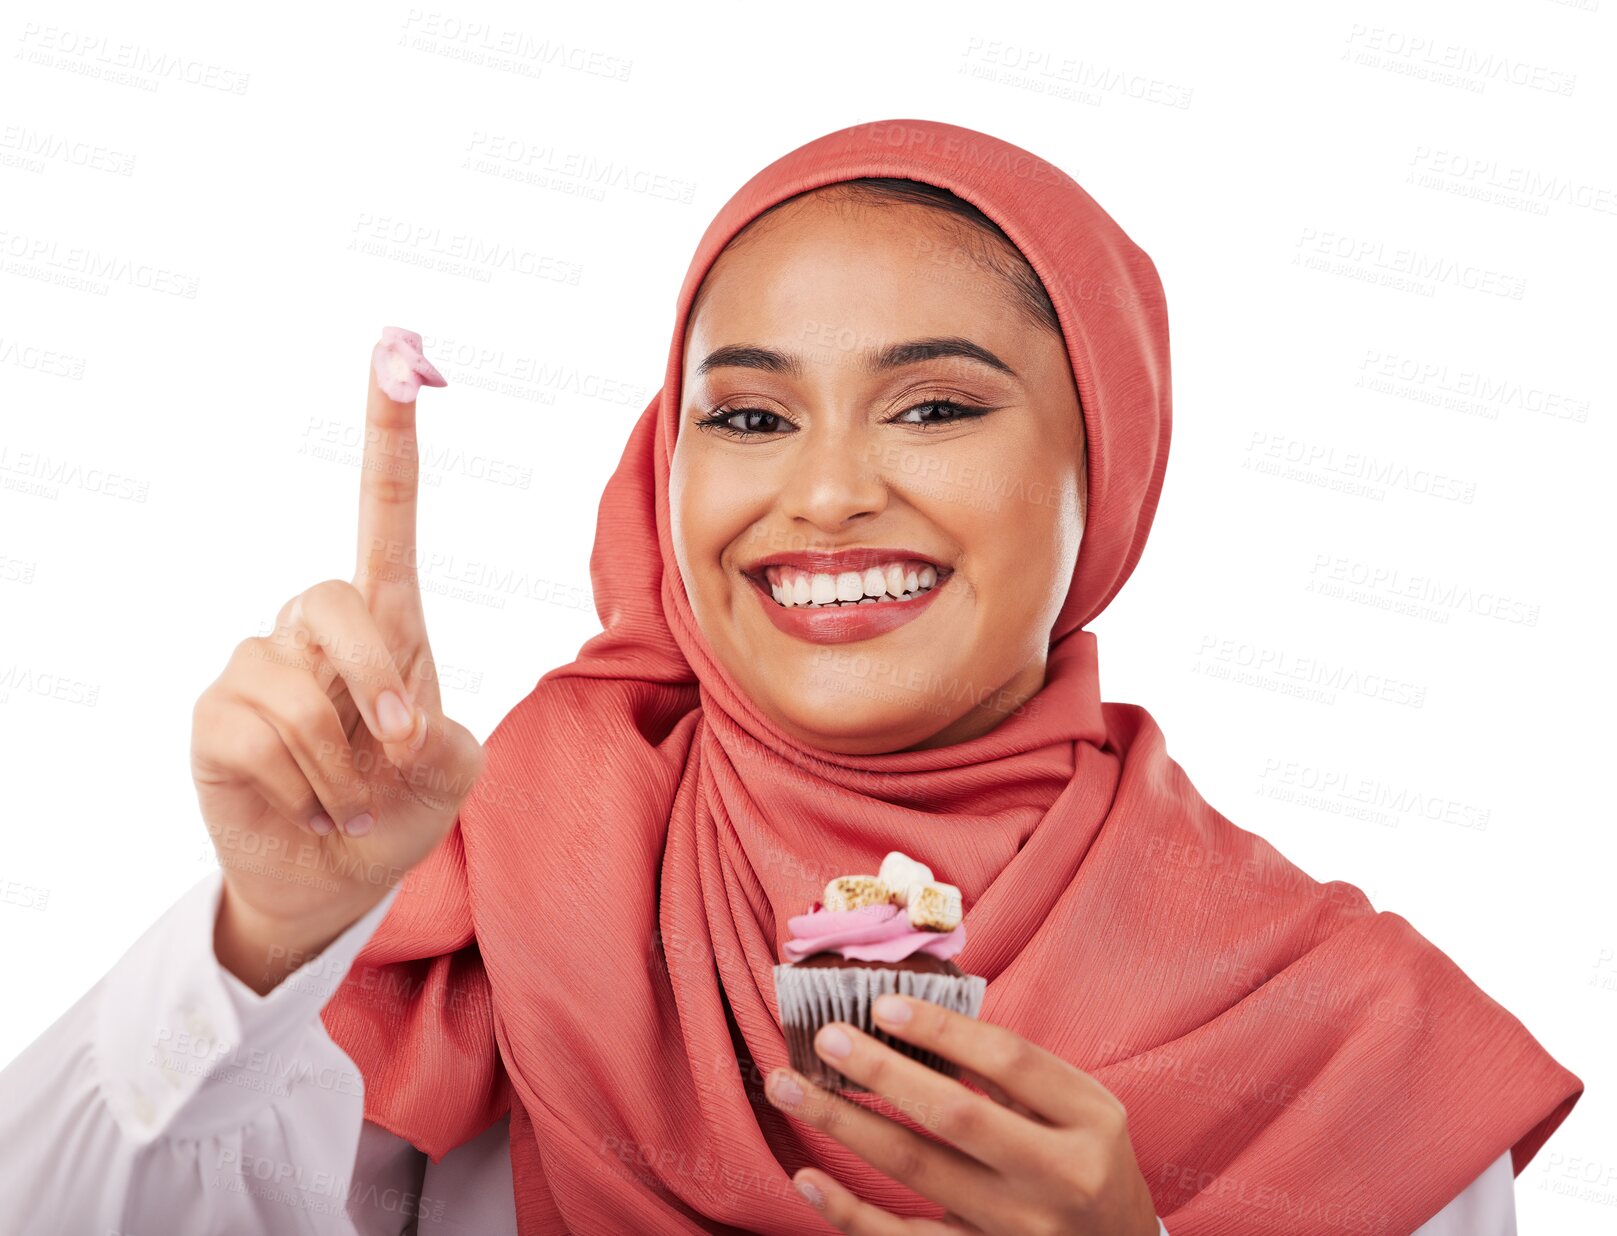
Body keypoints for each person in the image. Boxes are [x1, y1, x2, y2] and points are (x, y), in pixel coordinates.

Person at [0, 119, 1581, 1235]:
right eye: (749, 418)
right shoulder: (498, 879)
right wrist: (272, 929)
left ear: (1110, 468)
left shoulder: (1329, 1028)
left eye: (936, 409)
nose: (823, 494)